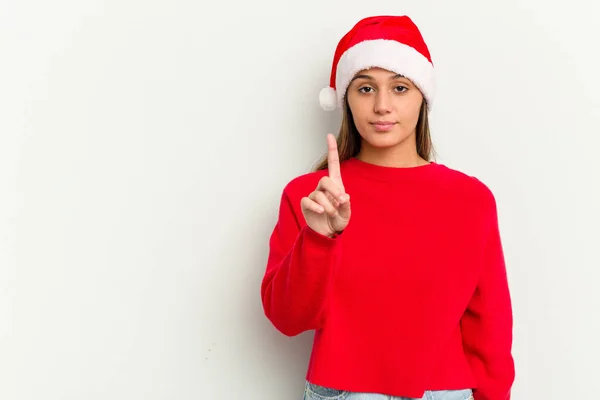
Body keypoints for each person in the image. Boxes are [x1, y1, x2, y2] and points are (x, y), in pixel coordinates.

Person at [260, 15, 515, 400]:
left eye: (399, 87)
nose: (382, 106)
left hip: (444, 393)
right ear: (345, 97)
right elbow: (288, 319)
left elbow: (490, 327)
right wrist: (319, 239)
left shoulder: (470, 199)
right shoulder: (311, 197)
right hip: (343, 391)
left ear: (422, 96)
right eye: (365, 88)